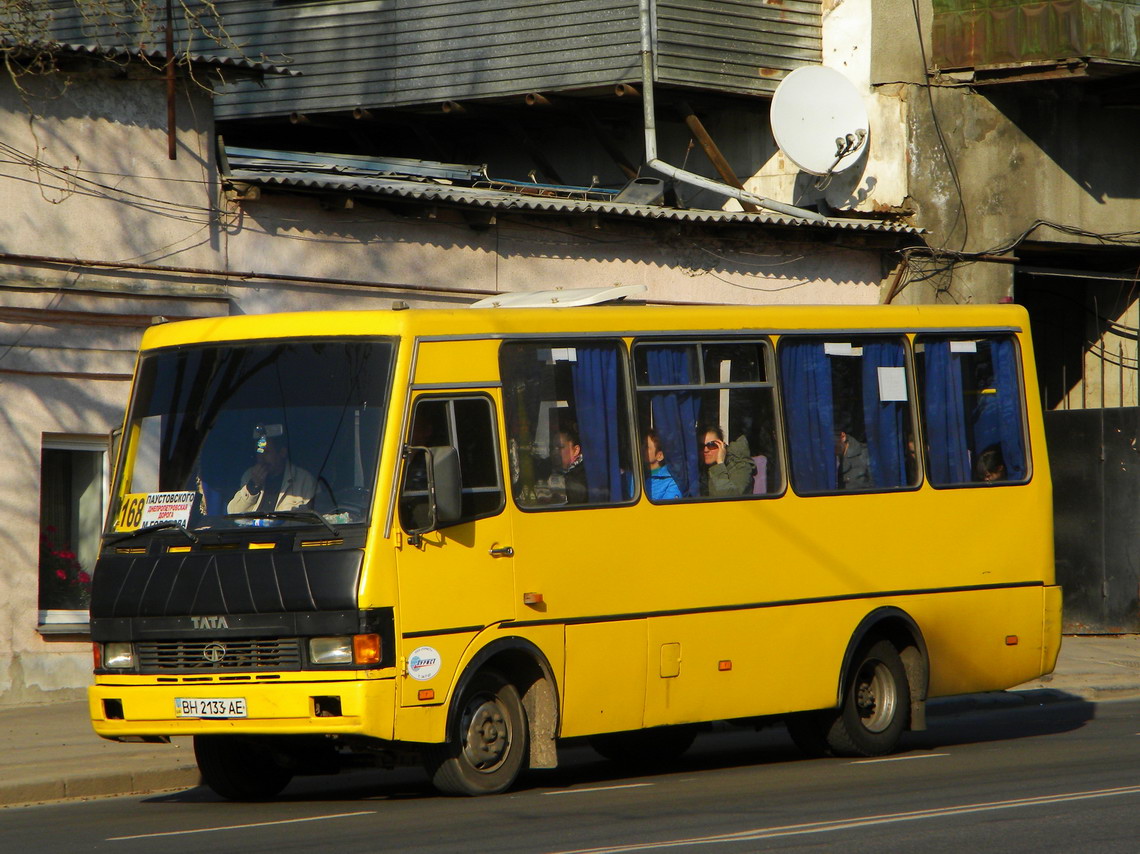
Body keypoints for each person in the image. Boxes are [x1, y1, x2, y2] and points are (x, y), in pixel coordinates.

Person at [227, 424, 317, 514]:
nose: (261, 458)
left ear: (282, 452)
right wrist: (252, 488)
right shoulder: (250, 475)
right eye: (259, 452)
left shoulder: (304, 480)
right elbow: (233, 513)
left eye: (266, 452)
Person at [699, 426, 756, 497]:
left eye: (712, 445)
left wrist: (719, 464)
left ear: (722, 446)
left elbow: (726, 498)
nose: (706, 450)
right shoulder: (698, 470)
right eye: (701, 446)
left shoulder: (740, 466)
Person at [553, 422, 588, 504]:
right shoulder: (554, 468)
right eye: (552, 448)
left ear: (575, 450)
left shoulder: (583, 474)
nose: (554, 452)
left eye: (560, 447)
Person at [644, 428, 682, 500]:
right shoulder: (633, 477)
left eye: (647, 447)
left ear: (660, 456)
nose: (642, 449)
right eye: (642, 445)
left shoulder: (671, 482)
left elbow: (667, 510)